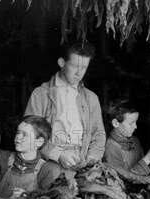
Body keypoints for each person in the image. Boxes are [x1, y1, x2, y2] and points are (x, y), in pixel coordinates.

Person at [24, 41, 105, 170]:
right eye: (74, 66)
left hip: (82, 159)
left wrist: (92, 158)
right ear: (62, 63)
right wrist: (59, 154)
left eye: (83, 68)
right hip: (50, 160)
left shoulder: (91, 98)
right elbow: (30, 133)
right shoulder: (41, 94)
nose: (79, 73)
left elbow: (98, 133)